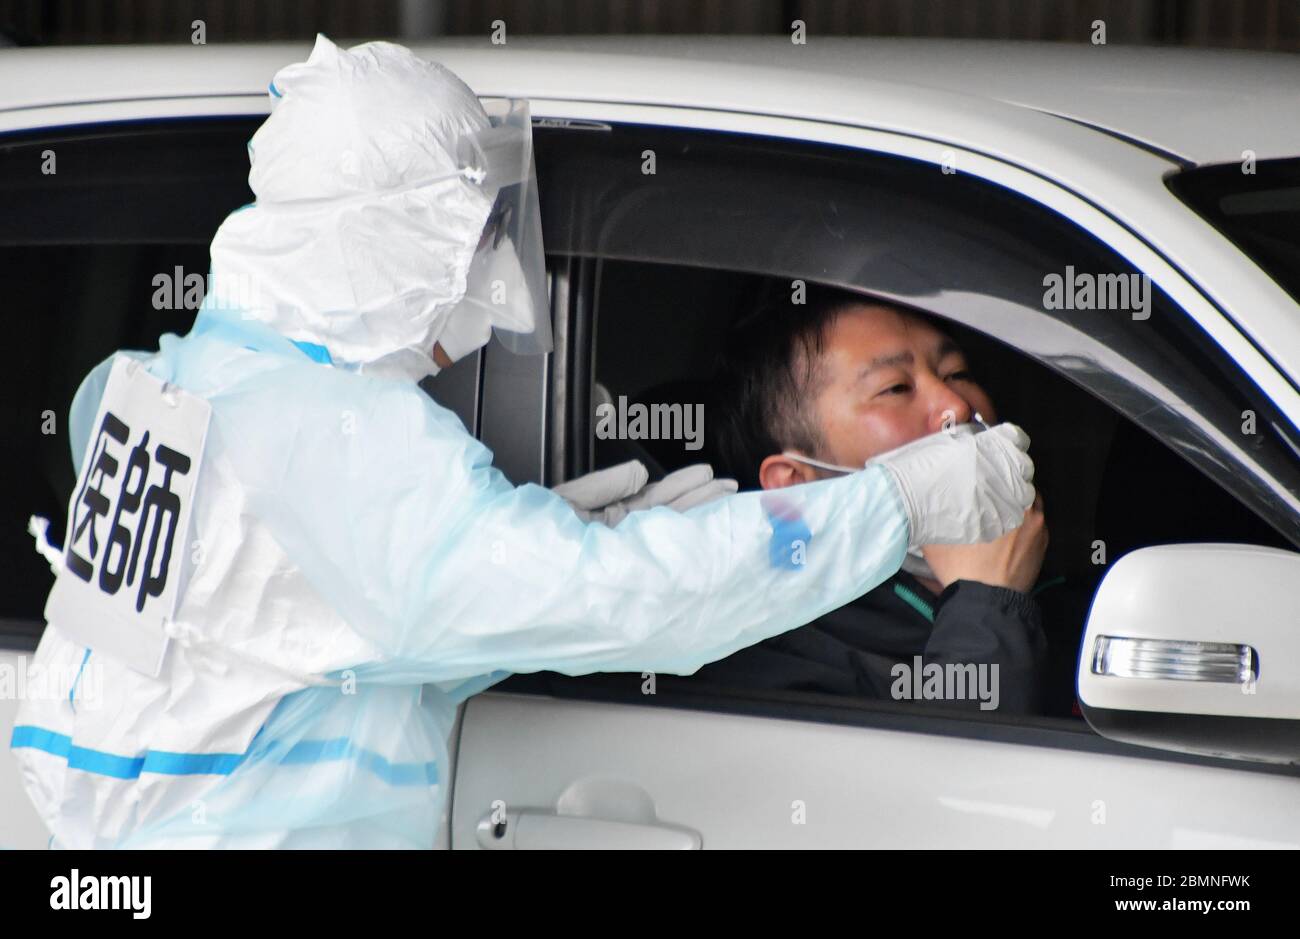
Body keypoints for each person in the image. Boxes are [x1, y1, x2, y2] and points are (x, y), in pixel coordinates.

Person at [11, 36, 1035, 848]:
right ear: (382, 236)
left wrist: (531, 543)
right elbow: (619, 605)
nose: (480, 283)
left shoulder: (189, 381)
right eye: (466, 237)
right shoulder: (328, 431)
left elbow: (288, 652)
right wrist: (901, 502)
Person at [697, 285, 1050, 713]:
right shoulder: (776, 673)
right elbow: (954, 778)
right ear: (796, 484)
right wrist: (988, 605)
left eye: (956, 373)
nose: (955, 405)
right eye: (896, 388)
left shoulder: (1067, 603)